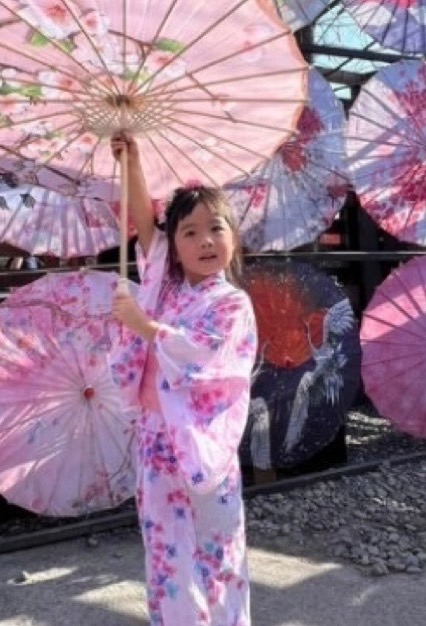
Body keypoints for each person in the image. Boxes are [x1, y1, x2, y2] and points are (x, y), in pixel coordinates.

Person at [108, 132, 259, 626]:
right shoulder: (163, 285)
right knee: (167, 559)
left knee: (218, 555)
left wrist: (146, 328)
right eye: (189, 232)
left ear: (233, 237)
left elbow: (206, 356)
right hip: (156, 441)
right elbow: (144, 222)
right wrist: (131, 161)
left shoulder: (231, 303)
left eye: (216, 228)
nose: (204, 241)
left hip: (203, 444)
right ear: (173, 247)